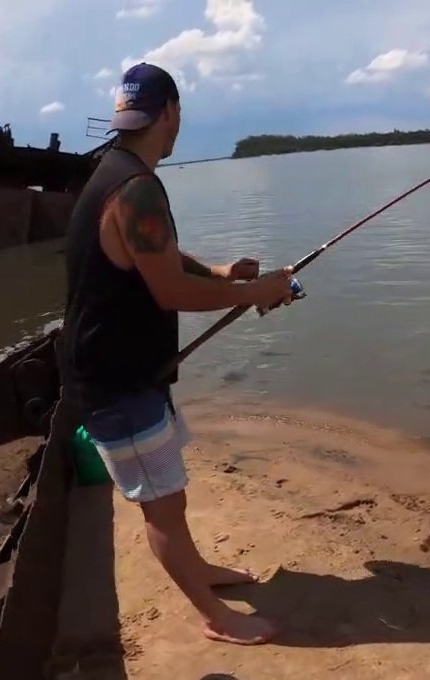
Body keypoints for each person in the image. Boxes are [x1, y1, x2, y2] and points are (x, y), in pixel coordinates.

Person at [59, 62, 295, 645]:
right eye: (179, 113)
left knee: (171, 495)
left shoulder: (116, 173)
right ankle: (216, 620)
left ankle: (203, 574)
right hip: (114, 382)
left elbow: (160, 258)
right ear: (169, 113)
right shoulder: (136, 188)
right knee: (161, 507)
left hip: (128, 374)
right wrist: (256, 293)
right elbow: (172, 291)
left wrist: (217, 271)